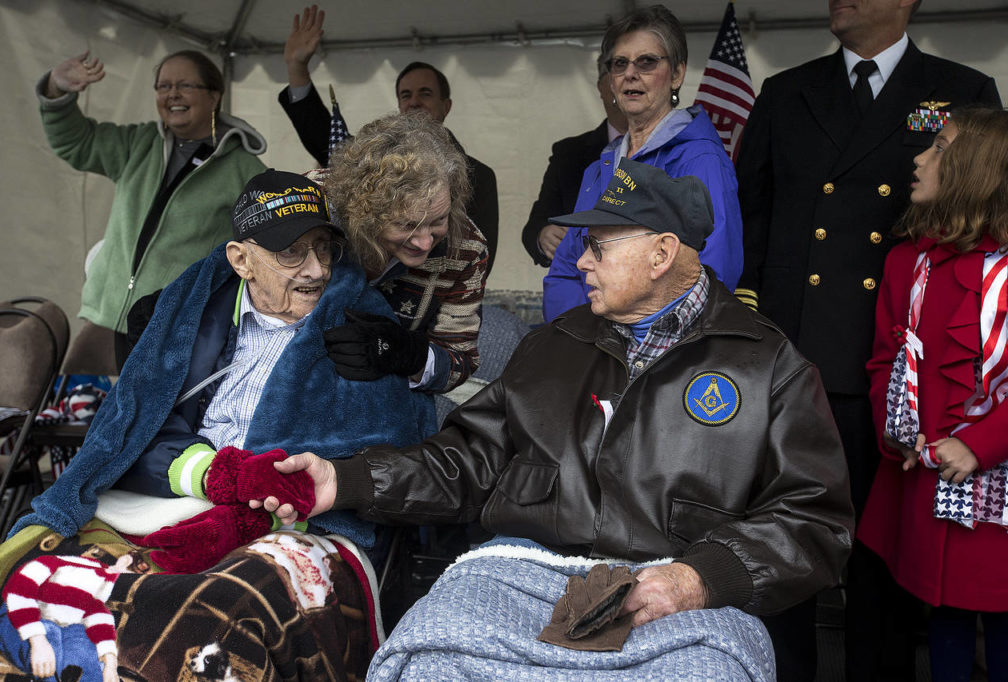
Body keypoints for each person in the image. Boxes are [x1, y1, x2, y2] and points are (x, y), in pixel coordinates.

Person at [259, 159, 855, 676]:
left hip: (677, 597)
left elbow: (814, 520)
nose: (580, 262)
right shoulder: (552, 346)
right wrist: (347, 480)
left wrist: (702, 578)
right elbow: (467, 462)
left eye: (598, 246)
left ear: (661, 253)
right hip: (523, 575)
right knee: (423, 664)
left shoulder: (768, 366)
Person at [734, 0, 1000, 676]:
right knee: (785, 552)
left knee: (881, 568)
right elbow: (751, 219)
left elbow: (973, 210)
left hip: (897, 380)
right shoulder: (786, 92)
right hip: (794, 368)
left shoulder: (951, 96)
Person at [9, 170, 436, 573]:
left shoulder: (358, 327)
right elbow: (135, 429)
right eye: (290, 252)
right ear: (241, 260)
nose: (316, 269)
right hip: (178, 495)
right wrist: (217, 476)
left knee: (209, 605)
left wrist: (259, 508)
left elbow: (383, 449)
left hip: (296, 522)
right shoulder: (194, 320)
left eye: (323, 247)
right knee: (49, 574)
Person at [859, 107, 1008, 682]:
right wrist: (892, 427)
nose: (919, 158)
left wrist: (982, 446)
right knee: (941, 612)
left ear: (977, 169)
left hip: (995, 487)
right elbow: (883, 360)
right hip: (924, 476)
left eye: (939, 147)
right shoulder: (906, 261)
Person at [38, 50, 267, 371]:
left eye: (185, 85)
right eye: (163, 86)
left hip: (179, 326)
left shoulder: (243, 167)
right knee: (103, 414)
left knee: (156, 419)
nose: (172, 94)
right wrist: (56, 90)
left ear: (214, 96)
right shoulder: (139, 142)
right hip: (113, 316)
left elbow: (264, 245)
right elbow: (76, 142)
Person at [541, 4, 743, 322]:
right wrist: (578, 343)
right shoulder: (598, 170)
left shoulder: (700, 159)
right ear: (610, 80)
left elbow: (711, 276)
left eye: (647, 61)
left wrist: (634, 346)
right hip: (589, 352)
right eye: (619, 64)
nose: (630, 73)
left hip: (660, 356)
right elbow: (566, 270)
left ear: (677, 74)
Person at [278, 5, 500, 275]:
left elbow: (478, 260)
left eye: (425, 93)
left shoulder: (481, 176)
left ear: (446, 105)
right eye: (406, 95)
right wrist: (296, 68)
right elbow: (322, 136)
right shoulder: (373, 166)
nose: (414, 101)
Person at [314, 112, 487, 394]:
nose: (424, 242)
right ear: (364, 212)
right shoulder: (312, 205)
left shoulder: (466, 250)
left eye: (437, 221)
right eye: (407, 225)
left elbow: (460, 362)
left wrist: (408, 355)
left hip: (389, 407)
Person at [521, 55, 628, 267]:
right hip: (584, 286)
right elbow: (537, 223)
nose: (628, 78)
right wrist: (544, 236)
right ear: (600, 87)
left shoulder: (678, 149)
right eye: (617, 69)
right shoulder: (569, 153)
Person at [0, 553, 139, 682]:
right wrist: (38, 640)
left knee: (85, 648)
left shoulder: (100, 588)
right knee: (51, 632)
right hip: (15, 620)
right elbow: (18, 593)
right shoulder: (53, 562)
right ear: (125, 561)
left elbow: (100, 622)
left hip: (61, 628)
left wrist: (110, 667)